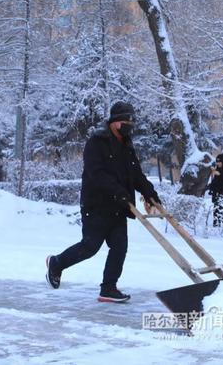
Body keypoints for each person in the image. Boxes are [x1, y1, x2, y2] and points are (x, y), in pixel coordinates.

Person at [45, 101, 161, 303]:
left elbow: (136, 174)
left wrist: (151, 194)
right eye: (126, 122)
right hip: (96, 205)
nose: (129, 126)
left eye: (131, 122)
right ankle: (56, 264)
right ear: (115, 122)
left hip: (119, 205)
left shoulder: (127, 144)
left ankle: (108, 288)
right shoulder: (96, 142)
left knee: (120, 247)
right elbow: (96, 174)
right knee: (90, 247)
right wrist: (119, 192)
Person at [207, 153, 223, 228]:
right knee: (216, 211)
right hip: (216, 193)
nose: (218, 164)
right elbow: (215, 181)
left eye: (219, 162)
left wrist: (219, 174)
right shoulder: (217, 169)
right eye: (217, 162)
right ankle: (216, 225)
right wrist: (210, 188)